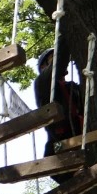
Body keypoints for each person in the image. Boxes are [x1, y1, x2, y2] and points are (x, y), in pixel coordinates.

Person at [34, 39, 83, 184]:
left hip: (83, 141)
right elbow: (60, 60)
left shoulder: (73, 87)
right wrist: (65, 30)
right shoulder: (42, 82)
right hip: (61, 150)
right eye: (51, 58)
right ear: (44, 66)